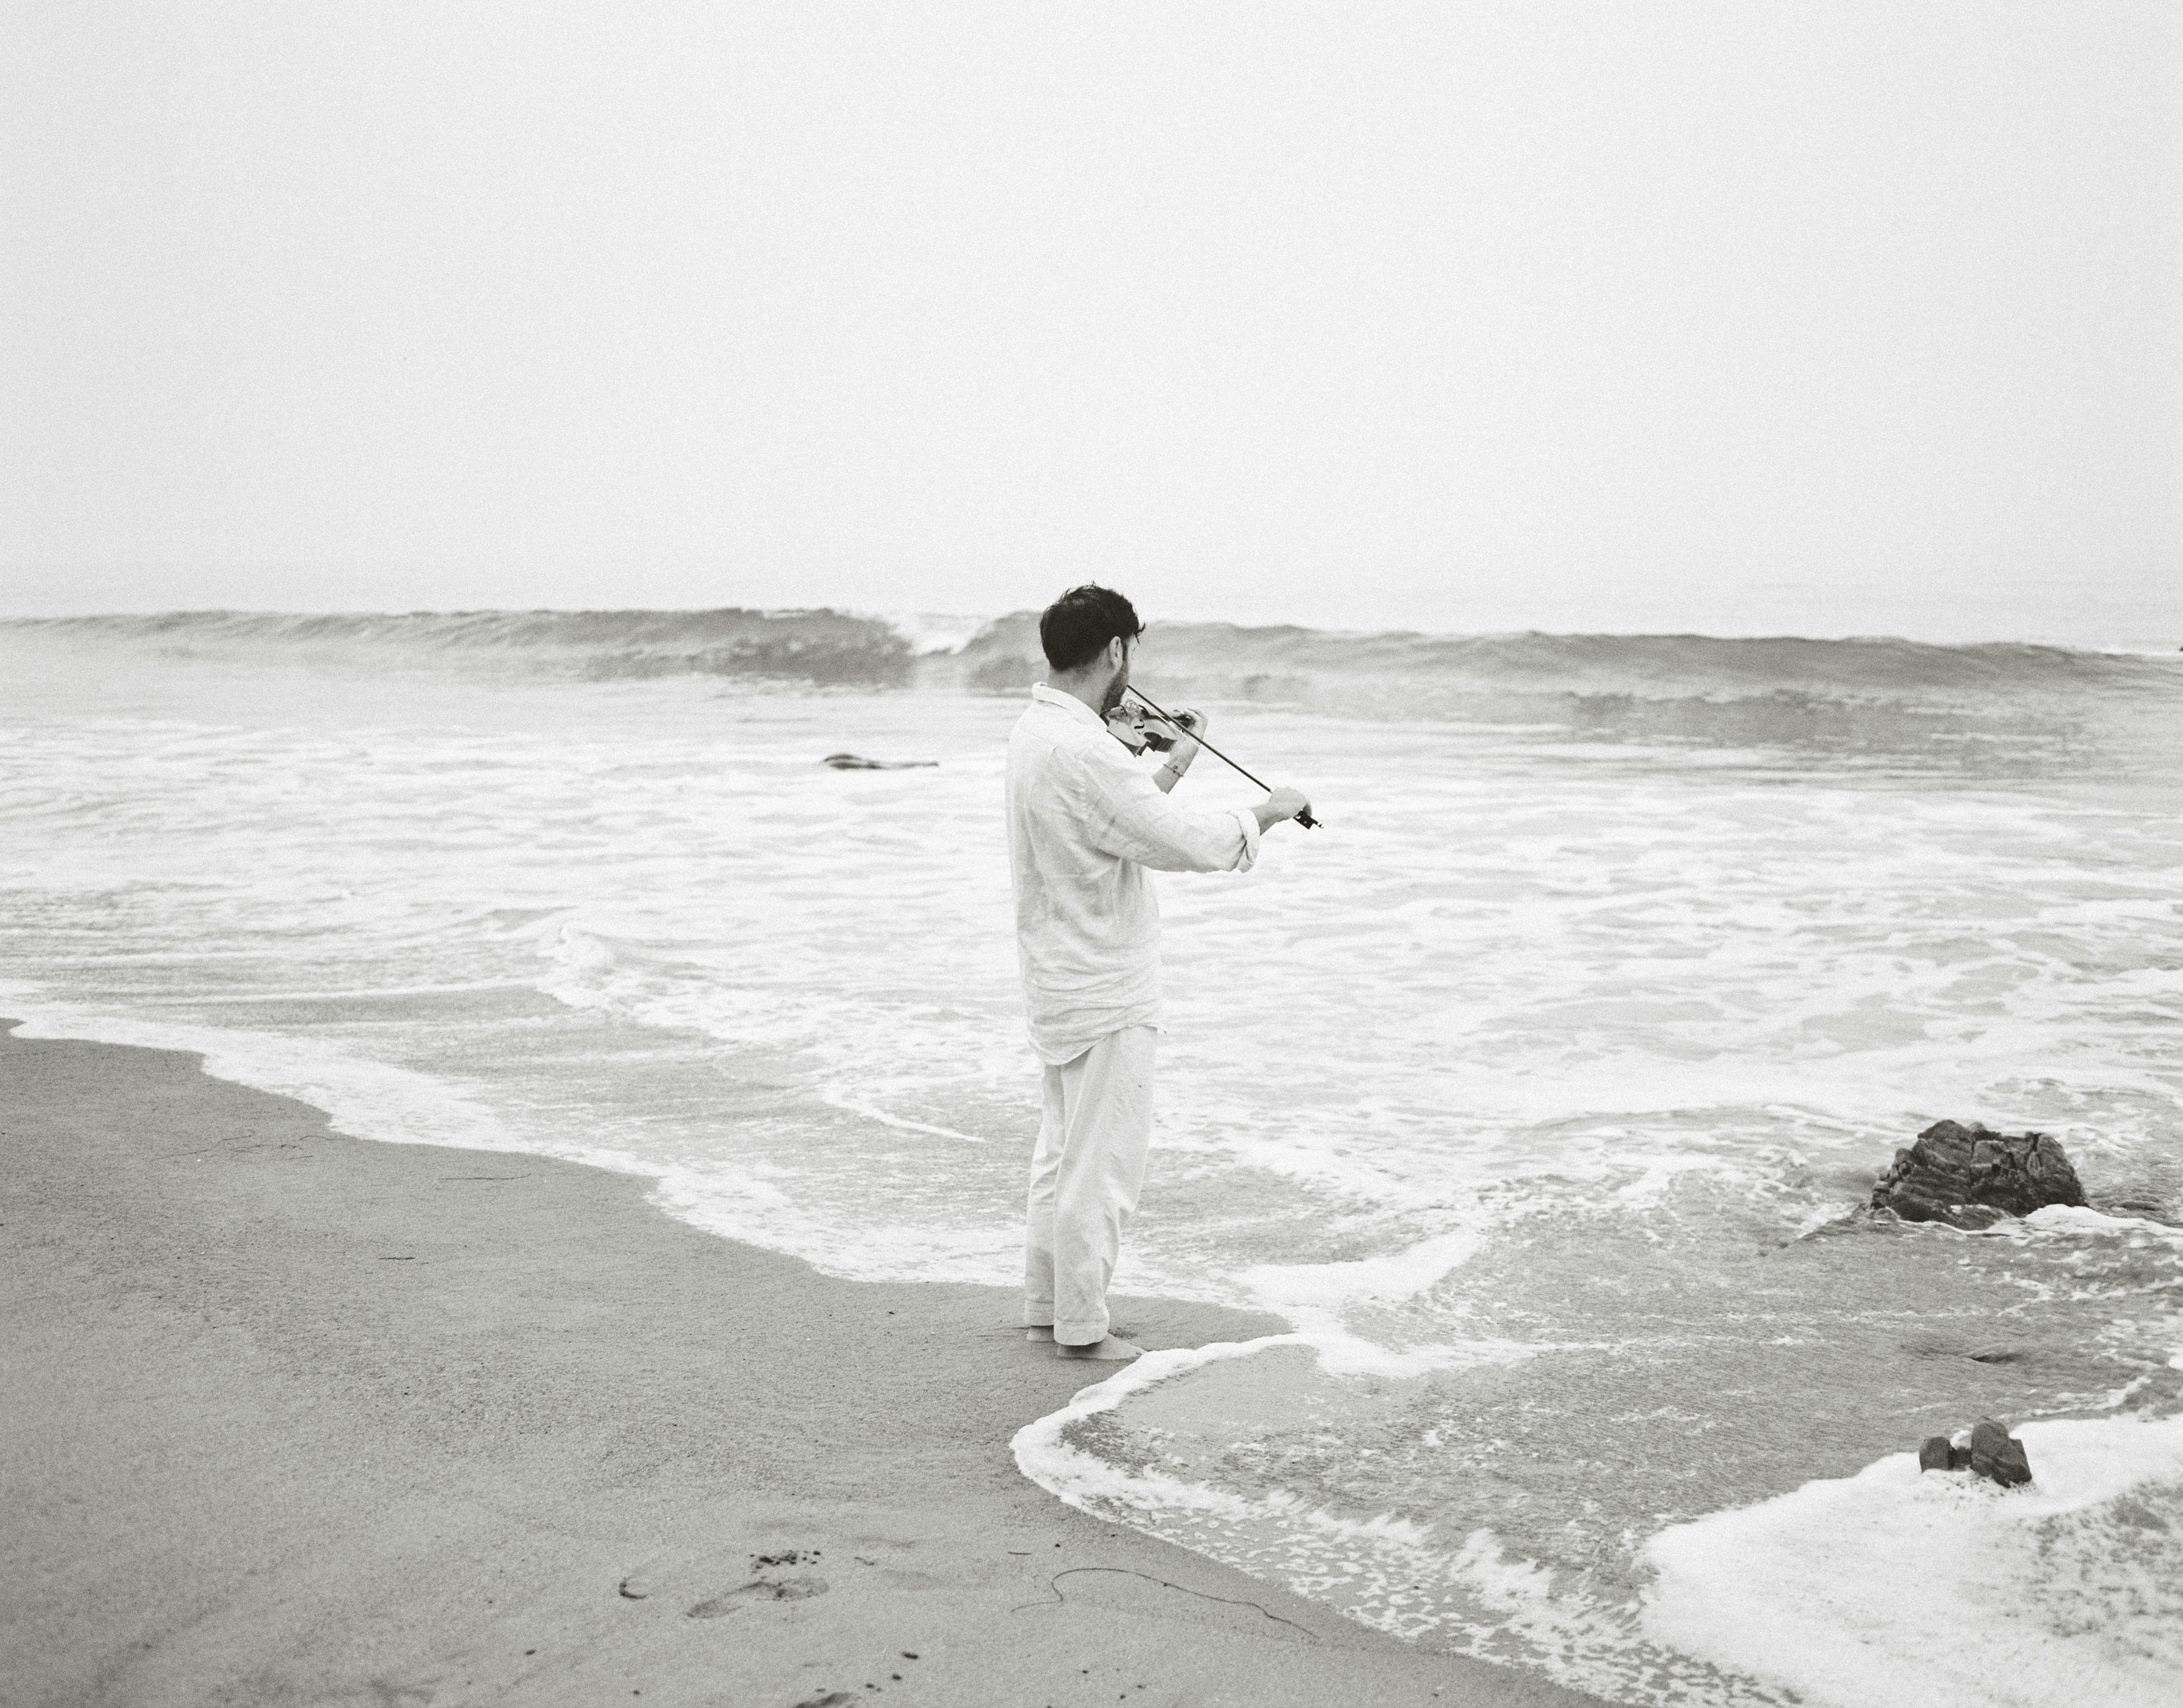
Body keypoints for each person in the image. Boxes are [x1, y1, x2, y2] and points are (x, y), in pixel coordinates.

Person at [1006, 585, 1312, 1362]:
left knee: (1060, 1153)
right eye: (1127, 653)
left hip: (1055, 975)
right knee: (1099, 1165)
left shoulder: (1038, 732)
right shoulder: (1085, 751)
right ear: (1114, 652)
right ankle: (1082, 1327)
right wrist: (1267, 813)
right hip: (1104, 981)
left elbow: (1116, 824)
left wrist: (1173, 761)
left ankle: (1049, 1307)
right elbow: (1179, 843)